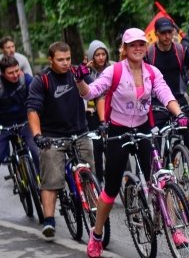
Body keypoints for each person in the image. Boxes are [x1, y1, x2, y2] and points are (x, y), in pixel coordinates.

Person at [77, 28, 186, 258]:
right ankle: (96, 235)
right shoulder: (114, 71)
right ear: (124, 49)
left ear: (146, 47)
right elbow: (90, 93)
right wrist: (80, 80)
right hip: (119, 130)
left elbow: (165, 94)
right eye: (132, 45)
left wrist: (179, 114)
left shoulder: (152, 72)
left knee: (158, 177)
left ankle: (175, 229)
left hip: (144, 127)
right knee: (111, 188)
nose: (137, 48)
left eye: (141, 44)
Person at [145, 17, 189, 208]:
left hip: (178, 100)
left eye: (170, 32)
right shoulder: (149, 53)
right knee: (155, 148)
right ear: (157, 35)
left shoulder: (181, 50)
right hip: (157, 103)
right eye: (163, 33)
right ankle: (155, 189)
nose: (167, 36)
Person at [26, 42, 94, 240]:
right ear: (50, 60)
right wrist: (38, 136)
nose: (65, 63)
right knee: (52, 180)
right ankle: (49, 220)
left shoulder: (77, 72)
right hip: (52, 137)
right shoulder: (42, 80)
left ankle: (94, 212)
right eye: (60, 60)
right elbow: (32, 110)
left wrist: (81, 78)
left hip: (80, 132)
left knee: (90, 176)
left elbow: (91, 93)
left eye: (68, 59)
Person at [0, 55, 40, 172]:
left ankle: (42, 180)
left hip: (25, 121)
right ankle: (15, 170)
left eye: (17, 70)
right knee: (2, 156)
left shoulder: (26, 79)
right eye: (10, 73)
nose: (15, 75)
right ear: (2, 74)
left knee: (35, 151)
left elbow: (38, 95)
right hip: (5, 125)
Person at [85, 39, 111, 181]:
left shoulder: (112, 68)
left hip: (111, 111)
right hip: (92, 114)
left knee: (114, 146)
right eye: (97, 55)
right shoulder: (87, 71)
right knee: (98, 146)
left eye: (103, 54)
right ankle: (99, 180)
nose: (101, 57)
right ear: (91, 56)